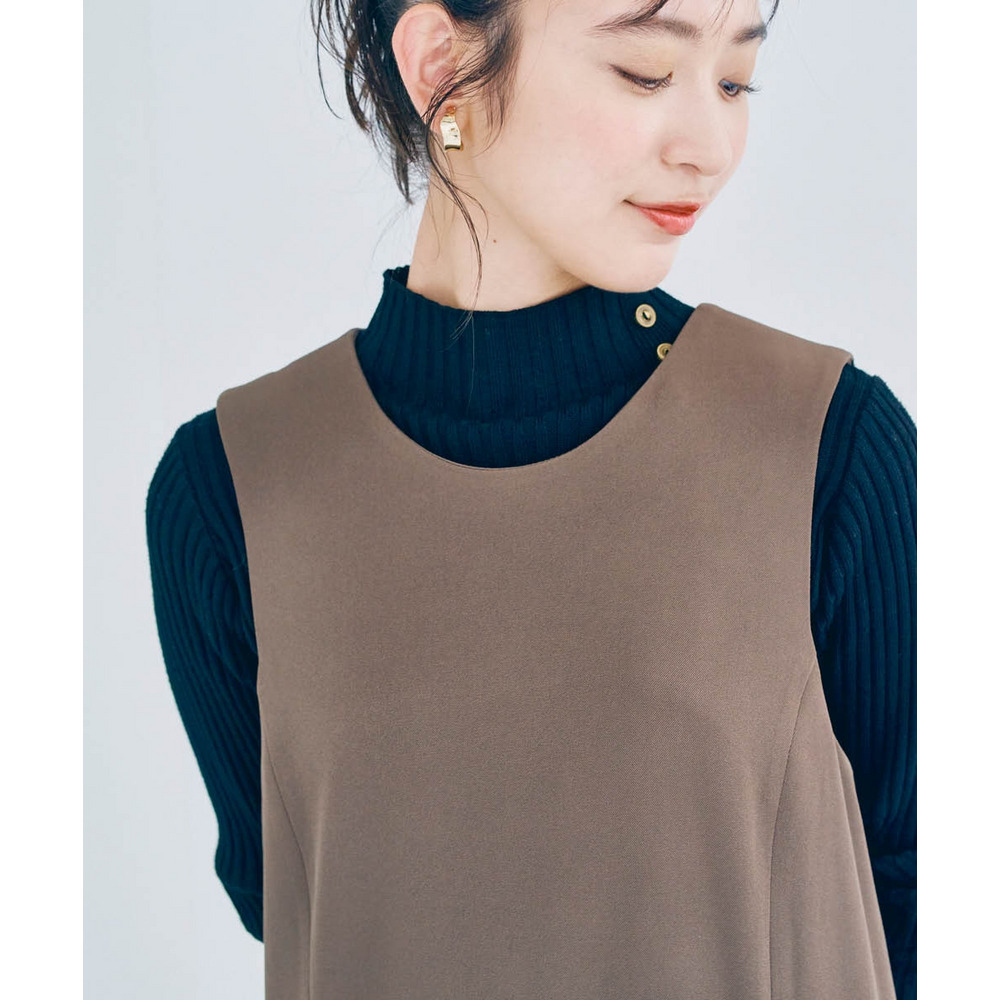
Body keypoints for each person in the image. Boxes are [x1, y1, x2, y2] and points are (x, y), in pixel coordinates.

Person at [145, 0, 915, 997]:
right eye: (646, 72)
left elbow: (920, 891)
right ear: (441, 63)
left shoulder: (827, 445)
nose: (712, 146)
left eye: (735, 81)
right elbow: (297, 899)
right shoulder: (232, 488)